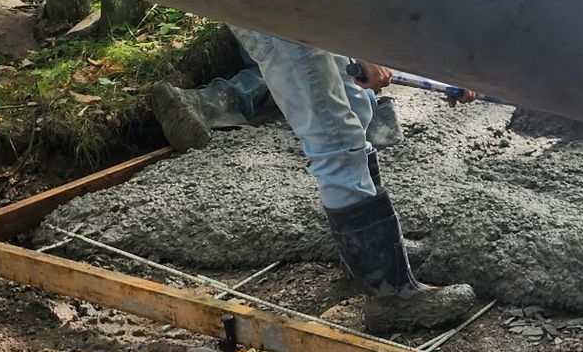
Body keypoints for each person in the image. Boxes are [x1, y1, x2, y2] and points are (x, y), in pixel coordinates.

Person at [150, 28, 473, 329]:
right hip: (283, 17)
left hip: (302, 10)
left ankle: (374, 255)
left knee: (357, 110)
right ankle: (392, 296)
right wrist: (364, 51)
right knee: (335, 139)